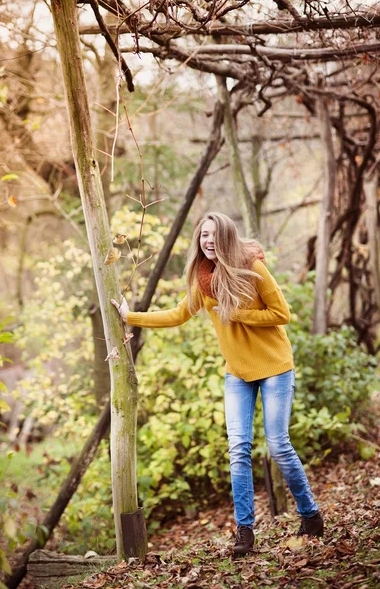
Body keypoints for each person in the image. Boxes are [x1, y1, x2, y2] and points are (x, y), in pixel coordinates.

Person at [111, 211, 323, 556]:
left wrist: (238, 313)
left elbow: (282, 313)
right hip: (237, 373)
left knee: (278, 445)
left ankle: (311, 516)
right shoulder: (203, 278)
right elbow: (178, 315)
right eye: (203, 235)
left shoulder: (252, 268)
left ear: (225, 238)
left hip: (274, 367)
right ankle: (245, 532)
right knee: (238, 449)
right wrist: (129, 316)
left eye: (213, 235)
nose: (207, 241)